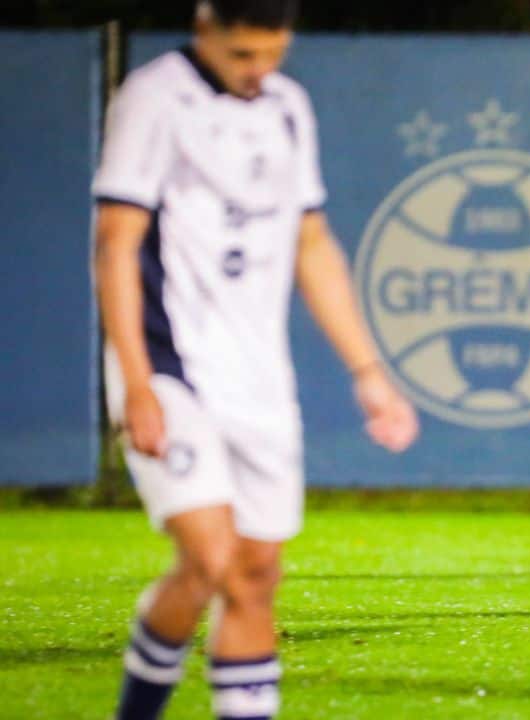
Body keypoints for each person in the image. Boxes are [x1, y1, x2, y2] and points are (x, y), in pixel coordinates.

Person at [93, 2, 419, 717]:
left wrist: (369, 372)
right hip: (169, 368)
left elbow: (311, 244)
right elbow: (115, 241)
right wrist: (135, 385)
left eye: (273, 53)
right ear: (204, 25)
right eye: (243, 55)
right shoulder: (153, 96)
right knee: (214, 560)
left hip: (260, 379)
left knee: (254, 573)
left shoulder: (287, 106)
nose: (259, 71)